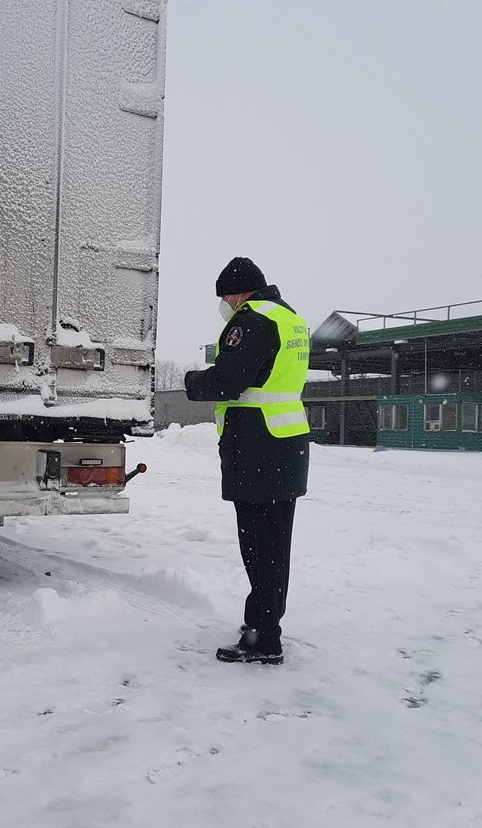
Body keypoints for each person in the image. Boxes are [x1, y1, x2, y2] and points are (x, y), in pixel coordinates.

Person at [184, 257, 310, 665]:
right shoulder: (290, 318)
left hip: (258, 448)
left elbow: (227, 381)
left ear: (239, 291)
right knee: (273, 545)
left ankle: (264, 639)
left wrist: (191, 380)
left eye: (224, 295)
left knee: (260, 546)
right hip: (283, 446)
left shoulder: (252, 319)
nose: (223, 303)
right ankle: (263, 623)